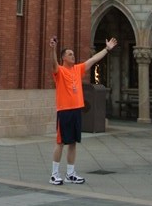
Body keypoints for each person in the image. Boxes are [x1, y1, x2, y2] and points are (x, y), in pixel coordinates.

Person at [48, 34, 118, 186]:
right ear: (63, 58)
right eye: (70, 54)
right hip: (64, 111)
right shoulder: (60, 71)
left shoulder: (78, 69)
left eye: (73, 54)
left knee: (73, 143)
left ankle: (70, 174)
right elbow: (53, 64)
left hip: (76, 110)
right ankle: (54, 174)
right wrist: (53, 49)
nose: (73, 56)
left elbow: (93, 60)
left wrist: (106, 49)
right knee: (60, 142)